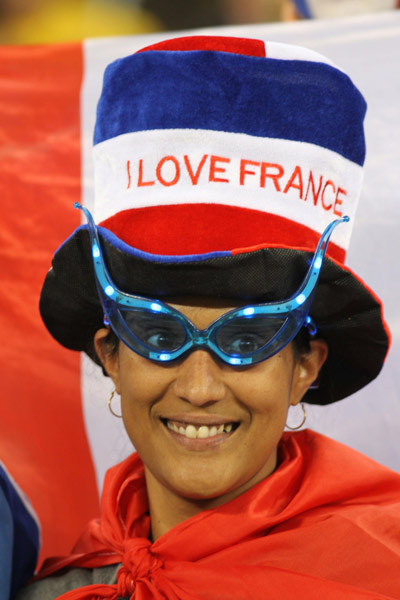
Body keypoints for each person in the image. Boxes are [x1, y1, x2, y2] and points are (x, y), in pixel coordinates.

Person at [16, 35, 400, 599]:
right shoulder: (58, 591)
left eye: (246, 337)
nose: (199, 389)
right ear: (111, 357)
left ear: (304, 369)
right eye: (157, 332)